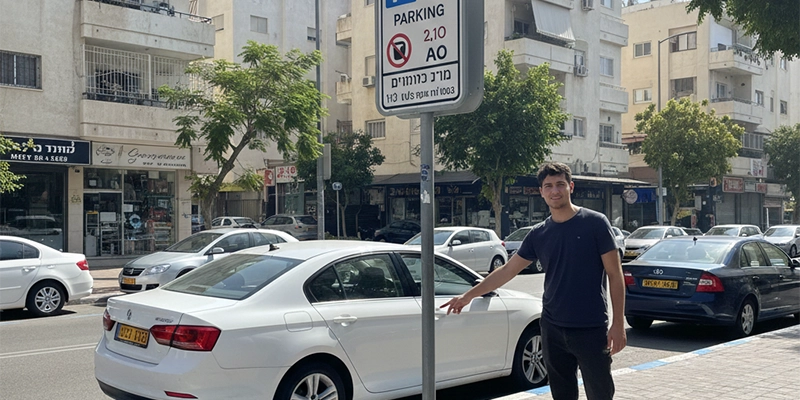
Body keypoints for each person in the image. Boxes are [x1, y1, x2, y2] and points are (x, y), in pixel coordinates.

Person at [441, 162, 627, 400]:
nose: (554, 191)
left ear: (571, 187)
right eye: (548, 186)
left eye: (560, 184)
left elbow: (615, 274)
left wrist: (618, 324)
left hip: (590, 328)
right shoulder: (539, 233)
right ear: (541, 191)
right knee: (562, 394)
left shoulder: (595, 223)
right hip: (552, 329)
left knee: (600, 394)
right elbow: (507, 271)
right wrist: (468, 295)